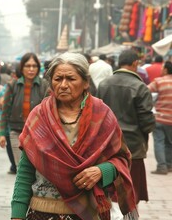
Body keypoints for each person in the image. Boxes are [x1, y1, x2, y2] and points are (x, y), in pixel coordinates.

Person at [11, 52, 137, 220]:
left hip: (89, 212)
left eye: (70, 79)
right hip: (42, 211)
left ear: (85, 82)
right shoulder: (38, 117)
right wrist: (17, 215)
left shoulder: (102, 115)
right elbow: (25, 171)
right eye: (58, 79)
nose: (63, 85)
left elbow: (122, 159)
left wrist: (102, 170)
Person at [97, 49, 155, 208]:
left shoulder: (103, 85)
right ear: (135, 63)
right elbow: (147, 121)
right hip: (133, 147)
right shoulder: (140, 87)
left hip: (107, 145)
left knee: (109, 187)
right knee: (131, 189)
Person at [0, 52, 49, 169]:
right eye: (27, 66)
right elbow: (5, 111)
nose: (31, 69)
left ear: (38, 68)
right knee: (21, 169)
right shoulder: (13, 85)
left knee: (37, 170)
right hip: (16, 133)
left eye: (34, 66)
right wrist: (1, 134)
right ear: (21, 68)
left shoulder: (45, 86)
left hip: (38, 134)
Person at [147, 61, 172, 174]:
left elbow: (145, 91)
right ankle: (169, 165)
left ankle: (162, 167)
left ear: (166, 70)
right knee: (169, 142)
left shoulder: (159, 81)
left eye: (162, 68)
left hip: (160, 117)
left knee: (159, 142)